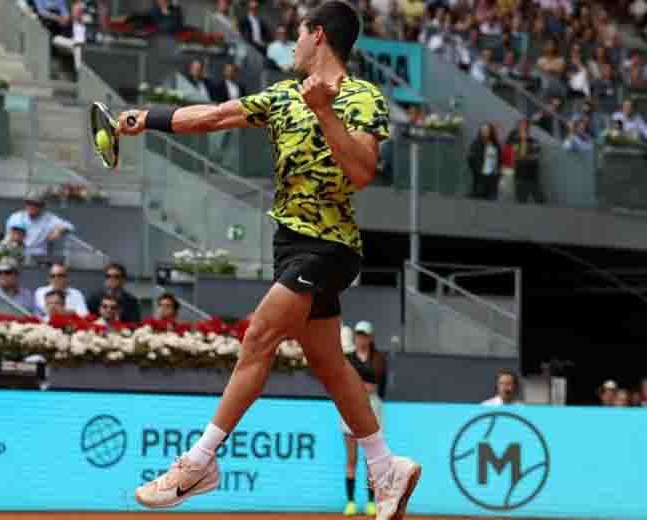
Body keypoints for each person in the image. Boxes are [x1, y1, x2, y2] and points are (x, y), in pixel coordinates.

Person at [117, 3, 422, 516]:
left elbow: (363, 171)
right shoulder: (282, 96)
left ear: (318, 36)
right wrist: (148, 118)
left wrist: (324, 111)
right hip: (289, 244)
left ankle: (198, 462)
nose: (293, 45)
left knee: (258, 337)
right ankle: (384, 466)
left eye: (298, 35)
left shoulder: (363, 98)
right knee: (328, 363)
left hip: (328, 245)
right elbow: (215, 116)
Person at [341, 321, 388, 517]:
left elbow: (378, 386)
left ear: (370, 338)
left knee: (371, 460)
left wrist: (361, 385)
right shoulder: (348, 358)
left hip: (373, 408)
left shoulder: (378, 359)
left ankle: (370, 502)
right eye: (359, 335)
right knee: (351, 458)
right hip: (350, 405)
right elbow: (345, 381)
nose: (361, 338)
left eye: (365, 335)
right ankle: (350, 502)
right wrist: (363, 386)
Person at [5, 192, 74, 259]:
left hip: (39, 257)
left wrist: (58, 230)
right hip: (18, 254)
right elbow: (8, 238)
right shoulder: (16, 217)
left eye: (36, 204)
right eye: (29, 203)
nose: (32, 206)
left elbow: (70, 226)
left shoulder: (49, 218)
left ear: (42, 205)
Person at [506, 119, 544, 204]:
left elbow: (535, 156)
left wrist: (522, 157)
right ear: (518, 128)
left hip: (532, 175)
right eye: (521, 126)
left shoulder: (534, 141)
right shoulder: (513, 141)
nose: (523, 129)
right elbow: (512, 155)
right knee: (521, 199)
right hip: (519, 174)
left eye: (525, 127)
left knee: (539, 199)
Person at [467, 123, 501, 200]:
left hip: (492, 179)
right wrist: (477, 170)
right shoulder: (475, 144)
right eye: (483, 130)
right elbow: (470, 159)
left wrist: (497, 172)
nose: (484, 132)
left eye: (486, 130)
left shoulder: (495, 145)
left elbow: (499, 160)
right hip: (479, 178)